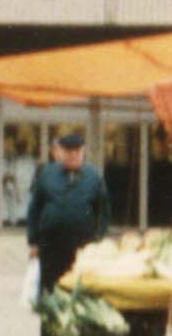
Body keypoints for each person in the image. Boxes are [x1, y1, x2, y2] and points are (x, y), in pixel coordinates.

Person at [22, 126, 112, 297]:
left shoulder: (94, 177)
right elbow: (34, 209)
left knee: (80, 292)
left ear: (83, 152)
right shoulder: (47, 174)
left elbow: (104, 210)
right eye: (68, 151)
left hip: (83, 247)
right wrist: (33, 242)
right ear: (60, 152)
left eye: (77, 151)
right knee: (50, 293)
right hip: (51, 247)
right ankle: (49, 323)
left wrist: (99, 238)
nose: (73, 155)